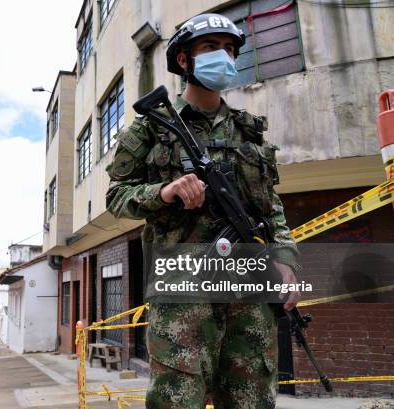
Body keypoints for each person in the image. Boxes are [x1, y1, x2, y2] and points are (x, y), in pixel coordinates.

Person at [106, 13, 302, 409]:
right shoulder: (149, 128)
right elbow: (116, 197)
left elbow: (270, 205)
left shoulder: (248, 131)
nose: (224, 58)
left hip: (248, 285)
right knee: (178, 400)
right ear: (184, 61)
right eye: (211, 48)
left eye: (230, 50)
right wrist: (164, 192)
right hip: (182, 289)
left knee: (252, 399)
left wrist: (286, 261)